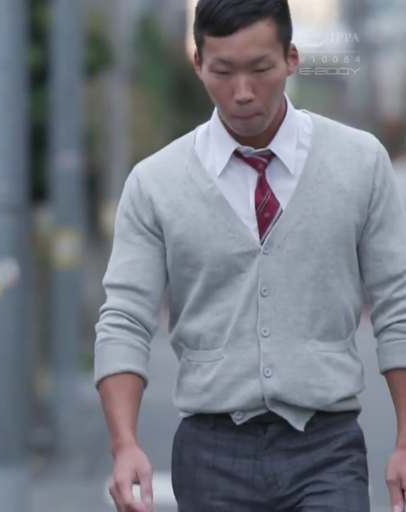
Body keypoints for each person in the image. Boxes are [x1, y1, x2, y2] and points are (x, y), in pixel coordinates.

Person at [94, 0, 406, 510]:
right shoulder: (155, 184)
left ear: (291, 58)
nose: (242, 92)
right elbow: (125, 319)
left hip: (327, 446)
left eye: (260, 69)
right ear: (198, 64)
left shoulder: (360, 163)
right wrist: (123, 443)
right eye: (222, 72)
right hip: (211, 450)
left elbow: (398, 303)